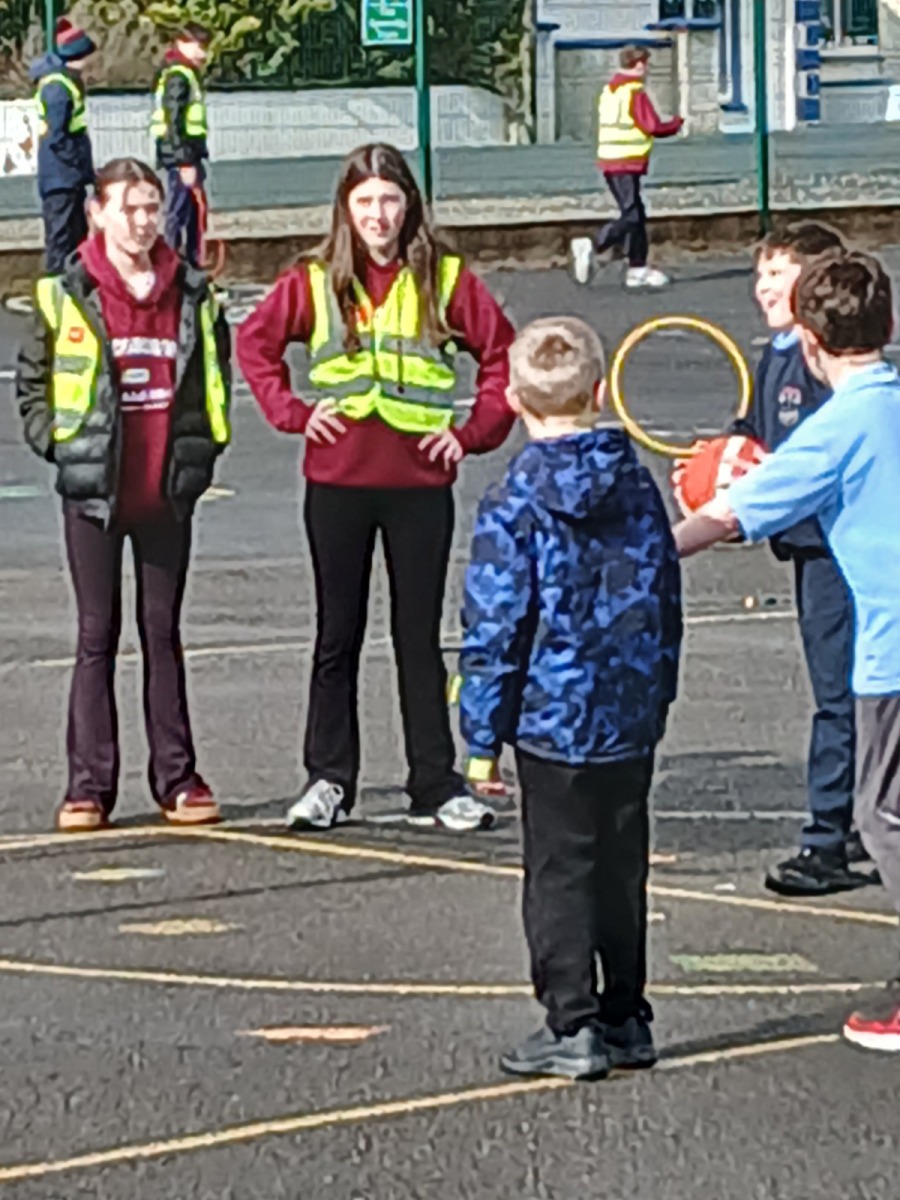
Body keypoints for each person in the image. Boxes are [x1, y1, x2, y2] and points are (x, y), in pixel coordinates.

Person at [237, 142, 516, 834]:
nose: (378, 215)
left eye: (390, 199)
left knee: (418, 637)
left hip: (419, 481)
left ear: (409, 204)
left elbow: (503, 356)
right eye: (364, 201)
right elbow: (255, 344)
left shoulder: (445, 277)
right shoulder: (313, 279)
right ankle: (329, 779)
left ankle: (434, 783)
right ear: (345, 208)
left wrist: (472, 433)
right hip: (338, 481)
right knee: (337, 634)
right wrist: (293, 413)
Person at [673, 248, 900, 1054]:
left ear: (807, 339)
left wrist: (643, 554)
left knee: (883, 817)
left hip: (893, 653)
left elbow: (729, 514)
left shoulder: (834, 430)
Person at [459, 316, 682, 1079]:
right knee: (621, 864)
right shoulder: (637, 485)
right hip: (626, 705)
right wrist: (659, 691)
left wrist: (481, 737)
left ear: (515, 399)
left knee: (560, 868)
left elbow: (496, 623)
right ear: (600, 390)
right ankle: (625, 1013)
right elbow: (664, 595)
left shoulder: (513, 500)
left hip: (551, 714)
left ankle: (572, 1020)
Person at [15, 157, 232, 833]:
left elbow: (213, 377)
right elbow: (32, 383)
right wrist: (60, 446)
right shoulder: (66, 293)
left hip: (164, 493)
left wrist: (201, 452)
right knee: (96, 634)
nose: (141, 221)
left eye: (150, 207)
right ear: (97, 214)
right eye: (128, 208)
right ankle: (88, 787)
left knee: (163, 633)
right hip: (95, 494)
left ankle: (178, 778)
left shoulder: (191, 291)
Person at [727, 222, 871, 896]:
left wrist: (742, 502)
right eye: (761, 274)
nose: (764, 287)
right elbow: (754, 433)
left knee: (841, 696)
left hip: (838, 551)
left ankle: (827, 840)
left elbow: (815, 464)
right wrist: (724, 457)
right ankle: (861, 817)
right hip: (811, 550)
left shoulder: (829, 371)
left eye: (778, 274)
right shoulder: (777, 355)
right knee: (850, 693)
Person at [570, 45, 683, 291]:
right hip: (626, 160)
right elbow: (652, 126)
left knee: (636, 213)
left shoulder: (610, 91)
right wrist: (676, 124)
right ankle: (595, 244)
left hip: (610, 160)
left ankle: (637, 267)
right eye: (646, 63)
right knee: (632, 215)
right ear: (639, 65)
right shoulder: (634, 92)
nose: (647, 69)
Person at [29, 17, 97, 275]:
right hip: (62, 176)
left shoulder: (59, 82)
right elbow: (59, 136)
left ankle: (73, 283)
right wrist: (79, 168)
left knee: (75, 236)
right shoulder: (58, 87)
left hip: (66, 175)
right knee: (62, 237)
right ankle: (57, 286)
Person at [151, 21, 212, 268]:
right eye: (198, 46)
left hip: (187, 155)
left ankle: (191, 266)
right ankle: (172, 265)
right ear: (181, 44)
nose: (203, 54)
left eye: (204, 47)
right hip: (182, 158)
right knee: (179, 213)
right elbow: (173, 122)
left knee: (193, 215)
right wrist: (184, 161)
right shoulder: (179, 76)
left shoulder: (184, 74)